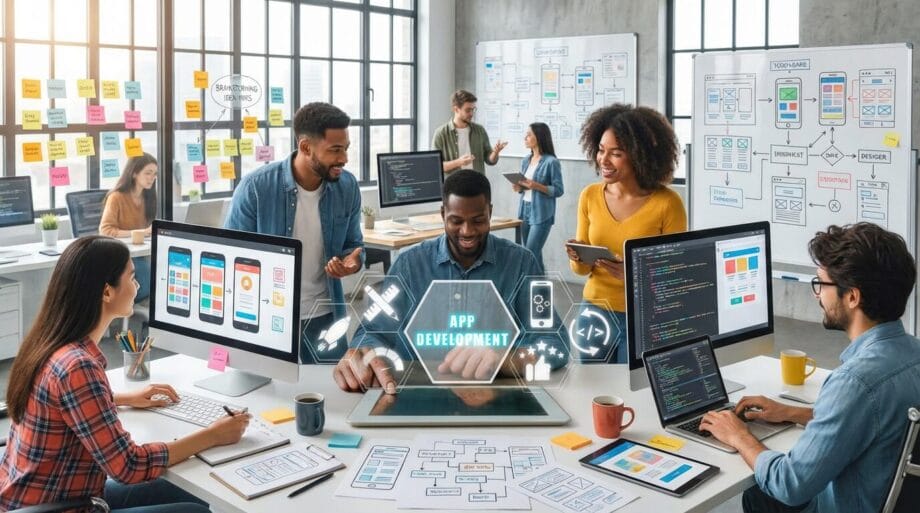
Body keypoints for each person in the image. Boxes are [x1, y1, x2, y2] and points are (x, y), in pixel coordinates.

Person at [0, 236, 250, 512]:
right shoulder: (78, 367)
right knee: (197, 511)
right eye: (132, 277)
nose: (137, 286)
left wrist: (121, 398)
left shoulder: (51, 343)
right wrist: (213, 435)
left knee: (190, 491)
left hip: (32, 497)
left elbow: (60, 403)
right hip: (60, 506)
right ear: (107, 292)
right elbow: (129, 466)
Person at [699, 223, 920, 513]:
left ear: (852, 297)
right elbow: (873, 420)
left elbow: (790, 485)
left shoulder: (854, 383)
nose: (817, 295)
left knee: (761, 493)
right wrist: (793, 413)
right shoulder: (913, 354)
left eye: (821, 284)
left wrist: (739, 436)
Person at [333, 170, 561, 394]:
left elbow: (553, 341)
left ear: (490, 212)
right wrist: (362, 354)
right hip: (416, 393)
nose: (467, 231)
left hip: (497, 391)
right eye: (456, 221)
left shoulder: (521, 263)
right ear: (443, 214)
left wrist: (508, 359)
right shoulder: (409, 265)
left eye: (478, 220)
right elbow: (372, 332)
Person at [225, 102, 364, 364]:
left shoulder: (347, 186)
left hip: (324, 313)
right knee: (264, 385)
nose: (344, 158)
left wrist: (352, 262)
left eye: (346, 148)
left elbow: (354, 245)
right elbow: (232, 256)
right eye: (335, 150)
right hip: (267, 314)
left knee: (332, 385)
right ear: (306, 147)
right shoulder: (256, 188)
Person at [566, 104, 686, 363]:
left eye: (616, 153)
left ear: (640, 156)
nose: (603, 160)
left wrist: (636, 275)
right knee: (592, 386)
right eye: (601, 150)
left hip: (643, 318)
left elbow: (676, 275)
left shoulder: (667, 204)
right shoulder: (589, 196)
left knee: (632, 388)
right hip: (594, 314)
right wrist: (578, 257)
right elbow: (581, 271)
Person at [100, 153, 158, 301]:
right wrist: (141, 232)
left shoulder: (148, 198)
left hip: (140, 252)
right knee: (147, 278)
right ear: (134, 173)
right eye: (148, 173)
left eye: (154, 174)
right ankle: (126, 306)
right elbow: (106, 231)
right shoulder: (116, 197)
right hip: (121, 254)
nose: (152, 178)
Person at [512, 122, 564, 271]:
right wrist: (519, 188)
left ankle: (528, 285)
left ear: (539, 137)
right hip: (524, 210)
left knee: (529, 254)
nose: (525, 137)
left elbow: (559, 190)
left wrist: (536, 186)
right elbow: (525, 186)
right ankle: (541, 285)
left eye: (529, 135)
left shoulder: (551, 162)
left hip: (542, 213)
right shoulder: (525, 160)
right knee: (534, 256)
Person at [431, 89, 508, 174]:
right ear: (456, 109)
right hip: (454, 182)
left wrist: (495, 152)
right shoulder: (441, 133)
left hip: (476, 181)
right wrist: (459, 162)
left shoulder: (480, 130)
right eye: (467, 110)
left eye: (473, 109)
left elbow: (490, 161)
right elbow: (436, 166)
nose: (471, 113)